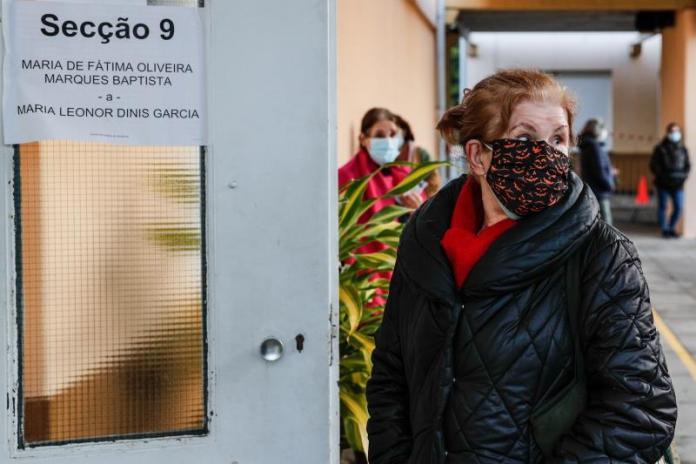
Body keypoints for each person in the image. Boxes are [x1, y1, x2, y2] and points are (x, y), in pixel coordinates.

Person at [366, 69, 676, 463]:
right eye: (525, 138)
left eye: (558, 139)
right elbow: (392, 372)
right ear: (478, 156)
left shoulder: (602, 255)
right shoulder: (425, 243)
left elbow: (641, 412)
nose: (546, 153)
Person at [339, 107, 423, 218]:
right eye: (379, 135)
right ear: (363, 139)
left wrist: (417, 212)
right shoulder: (347, 178)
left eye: (392, 134)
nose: (388, 141)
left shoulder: (407, 175)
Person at [650, 122, 691, 238]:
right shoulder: (660, 148)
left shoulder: (683, 149)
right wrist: (662, 175)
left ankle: (672, 228)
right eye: (672, 131)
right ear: (668, 133)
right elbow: (654, 165)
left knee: (678, 207)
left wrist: (683, 176)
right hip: (663, 183)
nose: (675, 134)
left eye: (677, 131)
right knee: (663, 207)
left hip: (678, 184)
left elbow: (688, 165)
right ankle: (665, 230)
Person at [578, 118, 616, 225]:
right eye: (604, 129)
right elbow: (599, 171)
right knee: (606, 225)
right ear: (598, 130)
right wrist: (609, 184)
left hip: (593, 188)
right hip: (600, 190)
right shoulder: (594, 147)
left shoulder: (587, 146)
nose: (606, 133)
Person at [394, 114, 442, 198]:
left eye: (394, 133)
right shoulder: (390, 155)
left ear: (404, 132)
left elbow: (434, 183)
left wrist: (420, 196)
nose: (391, 137)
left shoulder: (421, 154)